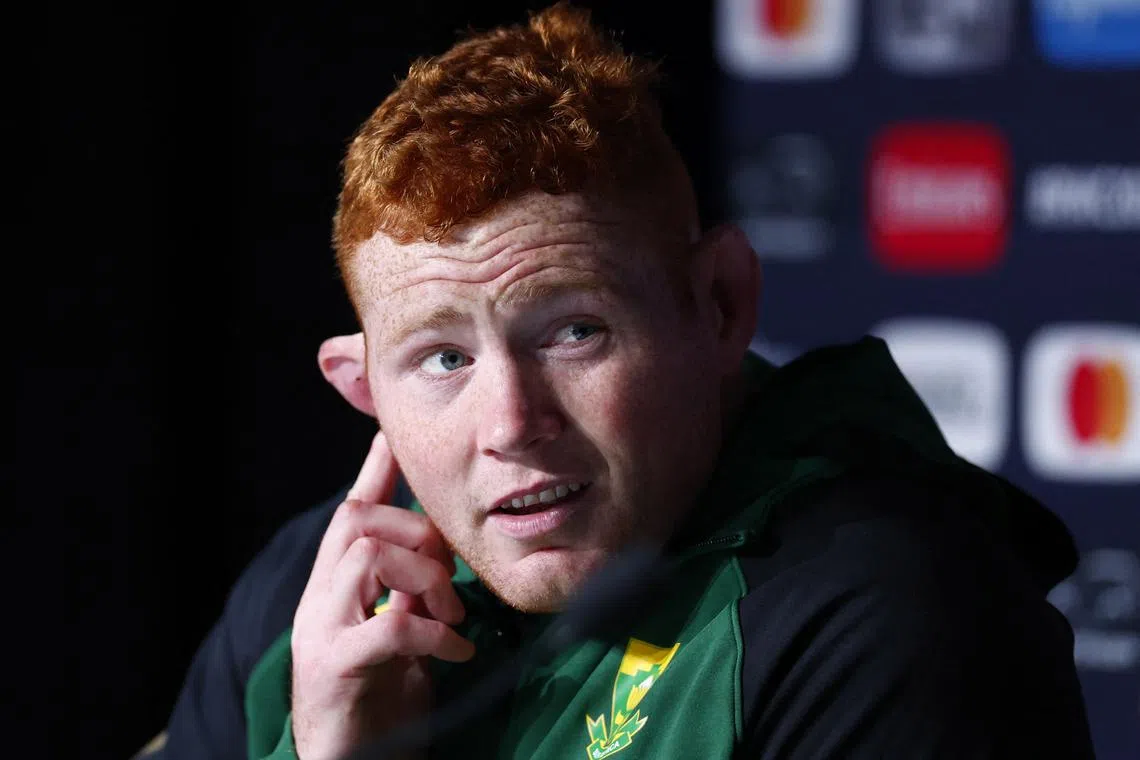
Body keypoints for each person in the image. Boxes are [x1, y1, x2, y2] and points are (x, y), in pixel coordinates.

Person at [150, 3, 1096, 759]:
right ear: (363, 389)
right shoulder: (310, 596)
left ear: (720, 306)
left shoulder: (894, 621)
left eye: (574, 331)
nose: (511, 423)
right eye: (443, 360)